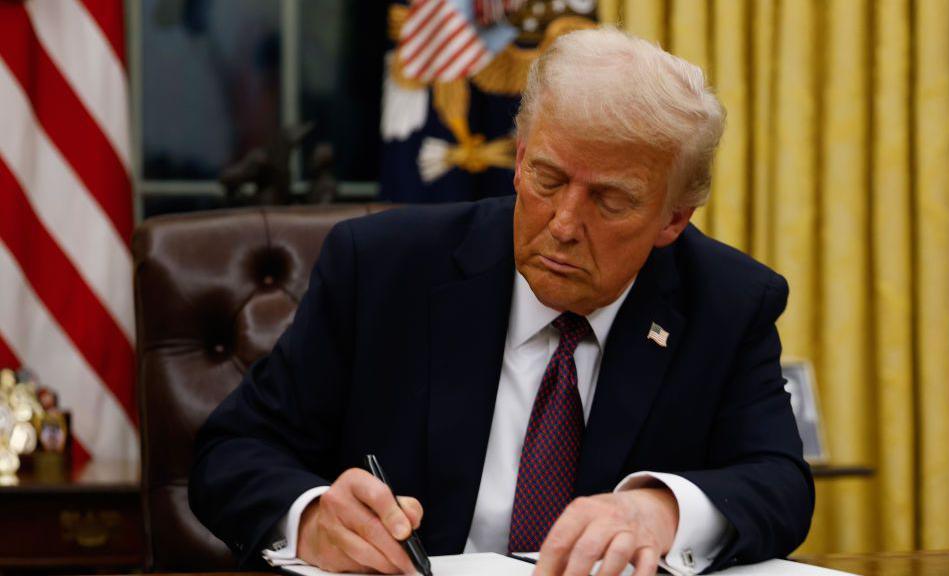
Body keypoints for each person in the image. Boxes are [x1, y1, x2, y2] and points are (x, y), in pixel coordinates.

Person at [189, 27, 814, 576]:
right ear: (518, 161)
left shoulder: (728, 301)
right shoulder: (381, 270)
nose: (564, 223)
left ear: (673, 219)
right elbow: (232, 453)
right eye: (548, 179)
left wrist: (659, 509)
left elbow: (780, 484)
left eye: (610, 200)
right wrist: (314, 517)